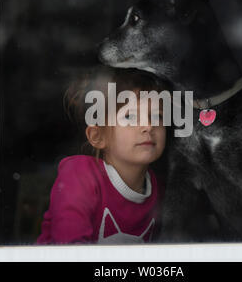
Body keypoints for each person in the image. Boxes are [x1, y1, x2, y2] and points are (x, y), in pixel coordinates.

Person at [37, 66, 172, 244]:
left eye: (157, 117)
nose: (148, 126)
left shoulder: (160, 189)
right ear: (98, 136)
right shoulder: (80, 175)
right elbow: (70, 252)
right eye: (130, 116)